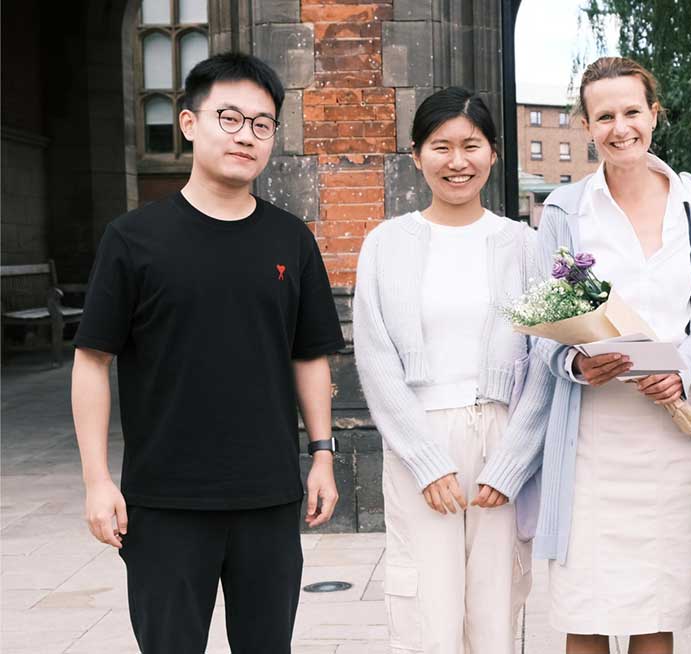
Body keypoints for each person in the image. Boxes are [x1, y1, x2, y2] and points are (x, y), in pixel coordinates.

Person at [71, 52, 344, 653]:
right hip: (165, 500)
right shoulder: (133, 239)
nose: (246, 135)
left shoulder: (290, 240)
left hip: (268, 497)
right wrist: (96, 481)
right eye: (230, 117)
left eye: (262, 123)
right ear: (190, 123)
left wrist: (322, 454)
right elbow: (93, 359)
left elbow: (309, 356)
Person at [496, 56, 691, 654]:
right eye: (604, 117)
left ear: (654, 113)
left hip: (669, 434)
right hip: (590, 434)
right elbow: (541, 329)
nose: (620, 128)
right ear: (586, 125)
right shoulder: (567, 211)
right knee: (586, 608)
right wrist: (575, 364)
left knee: (656, 608)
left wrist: (686, 365)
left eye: (631, 112)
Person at [352, 86, 552, 654]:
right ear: (416, 155)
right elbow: (375, 357)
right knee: (425, 612)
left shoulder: (525, 245)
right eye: (441, 147)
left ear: (493, 153)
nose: (457, 161)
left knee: (496, 609)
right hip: (420, 435)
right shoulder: (385, 245)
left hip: (502, 435)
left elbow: (545, 361)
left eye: (472, 145)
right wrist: (425, 459)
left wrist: (513, 461)